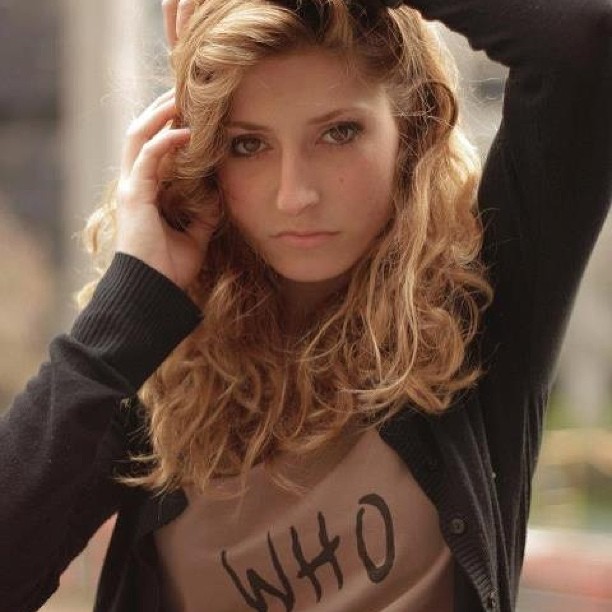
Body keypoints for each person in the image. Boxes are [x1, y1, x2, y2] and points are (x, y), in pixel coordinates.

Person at [0, 0, 610, 610]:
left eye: (338, 133)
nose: (295, 195)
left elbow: (584, 41)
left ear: (411, 129)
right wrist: (132, 299)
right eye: (248, 145)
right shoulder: (162, 362)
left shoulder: (481, 304)